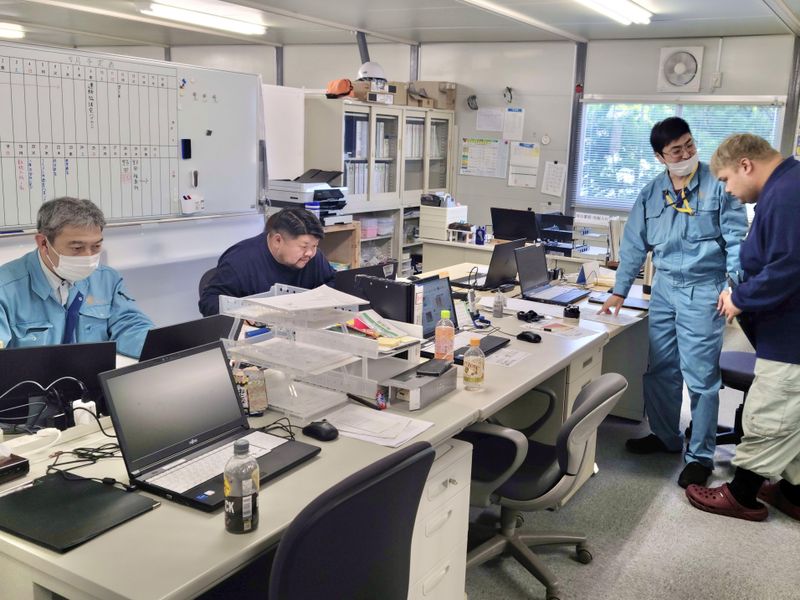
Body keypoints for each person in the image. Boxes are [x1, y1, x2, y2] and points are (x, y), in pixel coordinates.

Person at [600, 117, 748, 488]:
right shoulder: (651, 193)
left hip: (704, 288)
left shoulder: (718, 185)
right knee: (661, 369)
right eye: (675, 150)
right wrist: (619, 290)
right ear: (660, 156)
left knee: (701, 378)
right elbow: (634, 244)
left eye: (689, 145)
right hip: (664, 288)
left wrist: (734, 286)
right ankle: (665, 436)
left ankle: (700, 456)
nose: (685, 154)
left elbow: (736, 239)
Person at [685, 134, 800, 522]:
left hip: (791, 339)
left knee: (771, 413)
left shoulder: (788, 193)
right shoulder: (787, 185)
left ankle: (741, 496)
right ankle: (793, 493)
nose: (728, 190)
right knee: (793, 420)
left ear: (746, 165)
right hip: (786, 330)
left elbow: (789, 266)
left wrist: (741, 297)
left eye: (726, 180)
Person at [0, 197, 154, 358]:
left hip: (94, 373)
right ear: (43, 243)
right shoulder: (5, 290)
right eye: (77, 248)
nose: (88, 257)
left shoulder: (107, 279)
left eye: (96, 246)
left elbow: (130, 326)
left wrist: (157, 346)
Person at [199, 207, 335, 316]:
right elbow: (209, 301)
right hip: (256, 333)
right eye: (304, 246)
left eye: (315, 246)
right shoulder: (240, 260)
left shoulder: (313, 258)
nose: (310, 253)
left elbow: (333, 284)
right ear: (278, 240)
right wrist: (242, 314)